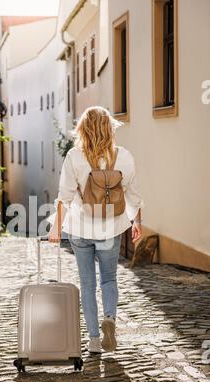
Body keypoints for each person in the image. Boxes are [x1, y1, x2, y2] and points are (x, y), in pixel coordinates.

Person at [48, 106, 144, 354]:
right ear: (109, 128)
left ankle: (93, 340)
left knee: (88, 283)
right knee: (109, 278)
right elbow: (133, 195)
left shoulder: (74, 157)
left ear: (83, 129)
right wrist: (137, 222)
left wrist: (56, 228)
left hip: (81, 228)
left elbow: (64, 197)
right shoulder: (123, 156)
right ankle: (110, 319)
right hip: (111, 229)